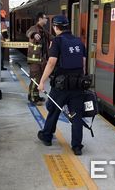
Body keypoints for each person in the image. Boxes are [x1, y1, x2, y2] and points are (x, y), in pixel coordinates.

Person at [37, 15, 87, 155]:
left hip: (61, 86)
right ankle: (77, 146)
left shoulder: (57, 41)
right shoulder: (78, 41)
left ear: (55, 27)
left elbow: (51, 62)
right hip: (77, 85)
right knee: (76, 115)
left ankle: (47, 136)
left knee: (54, 110)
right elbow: (82, 63)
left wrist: (42, 82)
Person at [26, 12, 53, 104]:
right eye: (45, 18)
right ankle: (34, 99)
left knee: (38, 79)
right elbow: (28, 33)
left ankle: (34, 96)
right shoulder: (34, 28)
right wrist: (33, 35)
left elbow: (51, 37)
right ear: (40, 19)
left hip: (40, 60)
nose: (46, 20)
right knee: (35, 79)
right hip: (35, 60)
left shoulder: (43, 30)